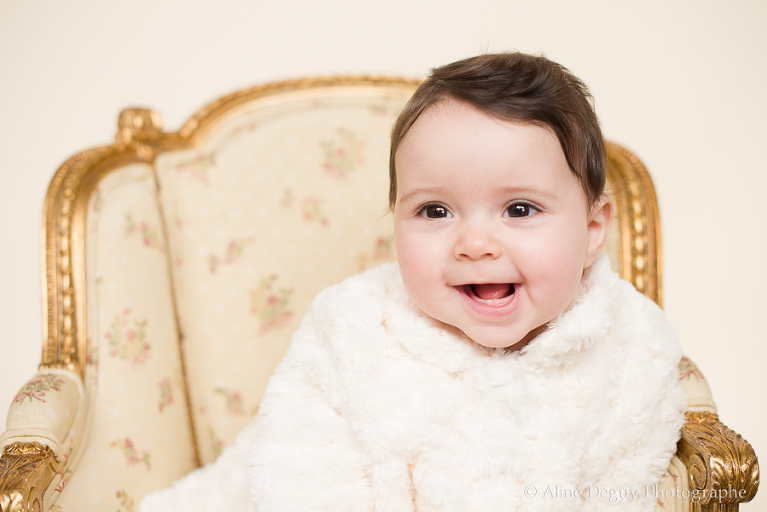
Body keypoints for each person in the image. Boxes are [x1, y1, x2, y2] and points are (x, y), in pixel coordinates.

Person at [141, 52, 685, 512]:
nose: (476, 244)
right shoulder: (352, 329)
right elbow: (299, 482)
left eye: (519, 209)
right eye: (435, 211)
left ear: (593, 229)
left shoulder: (633, 346)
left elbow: (628, 489)